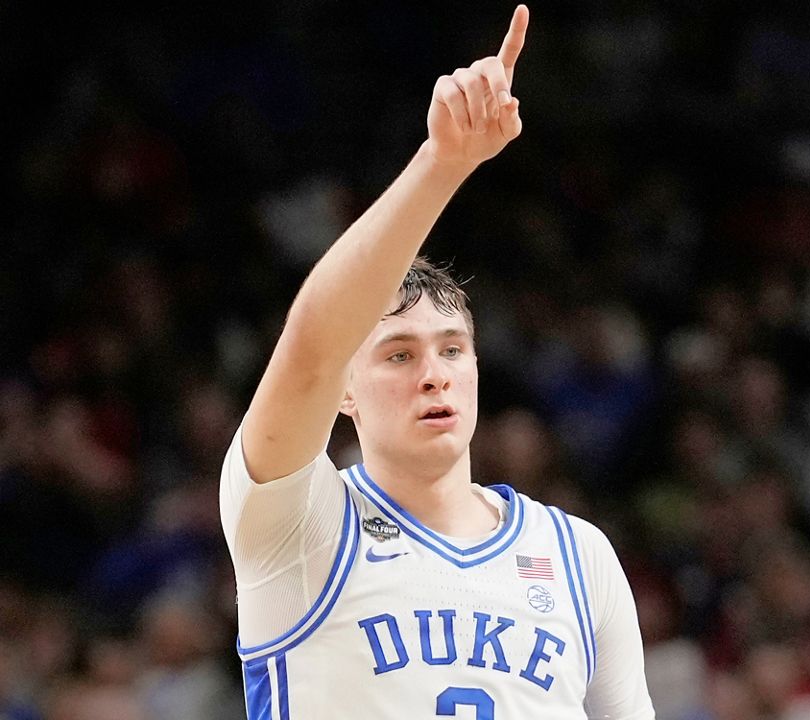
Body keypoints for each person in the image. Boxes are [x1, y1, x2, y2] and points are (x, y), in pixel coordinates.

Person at [217, 6, 655, 718]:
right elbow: (309, 349)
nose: (434, 372)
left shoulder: (578, 556)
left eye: (453, 349)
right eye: (397, 353)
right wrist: (443, 164)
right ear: (345, 392)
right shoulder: (301, 526)